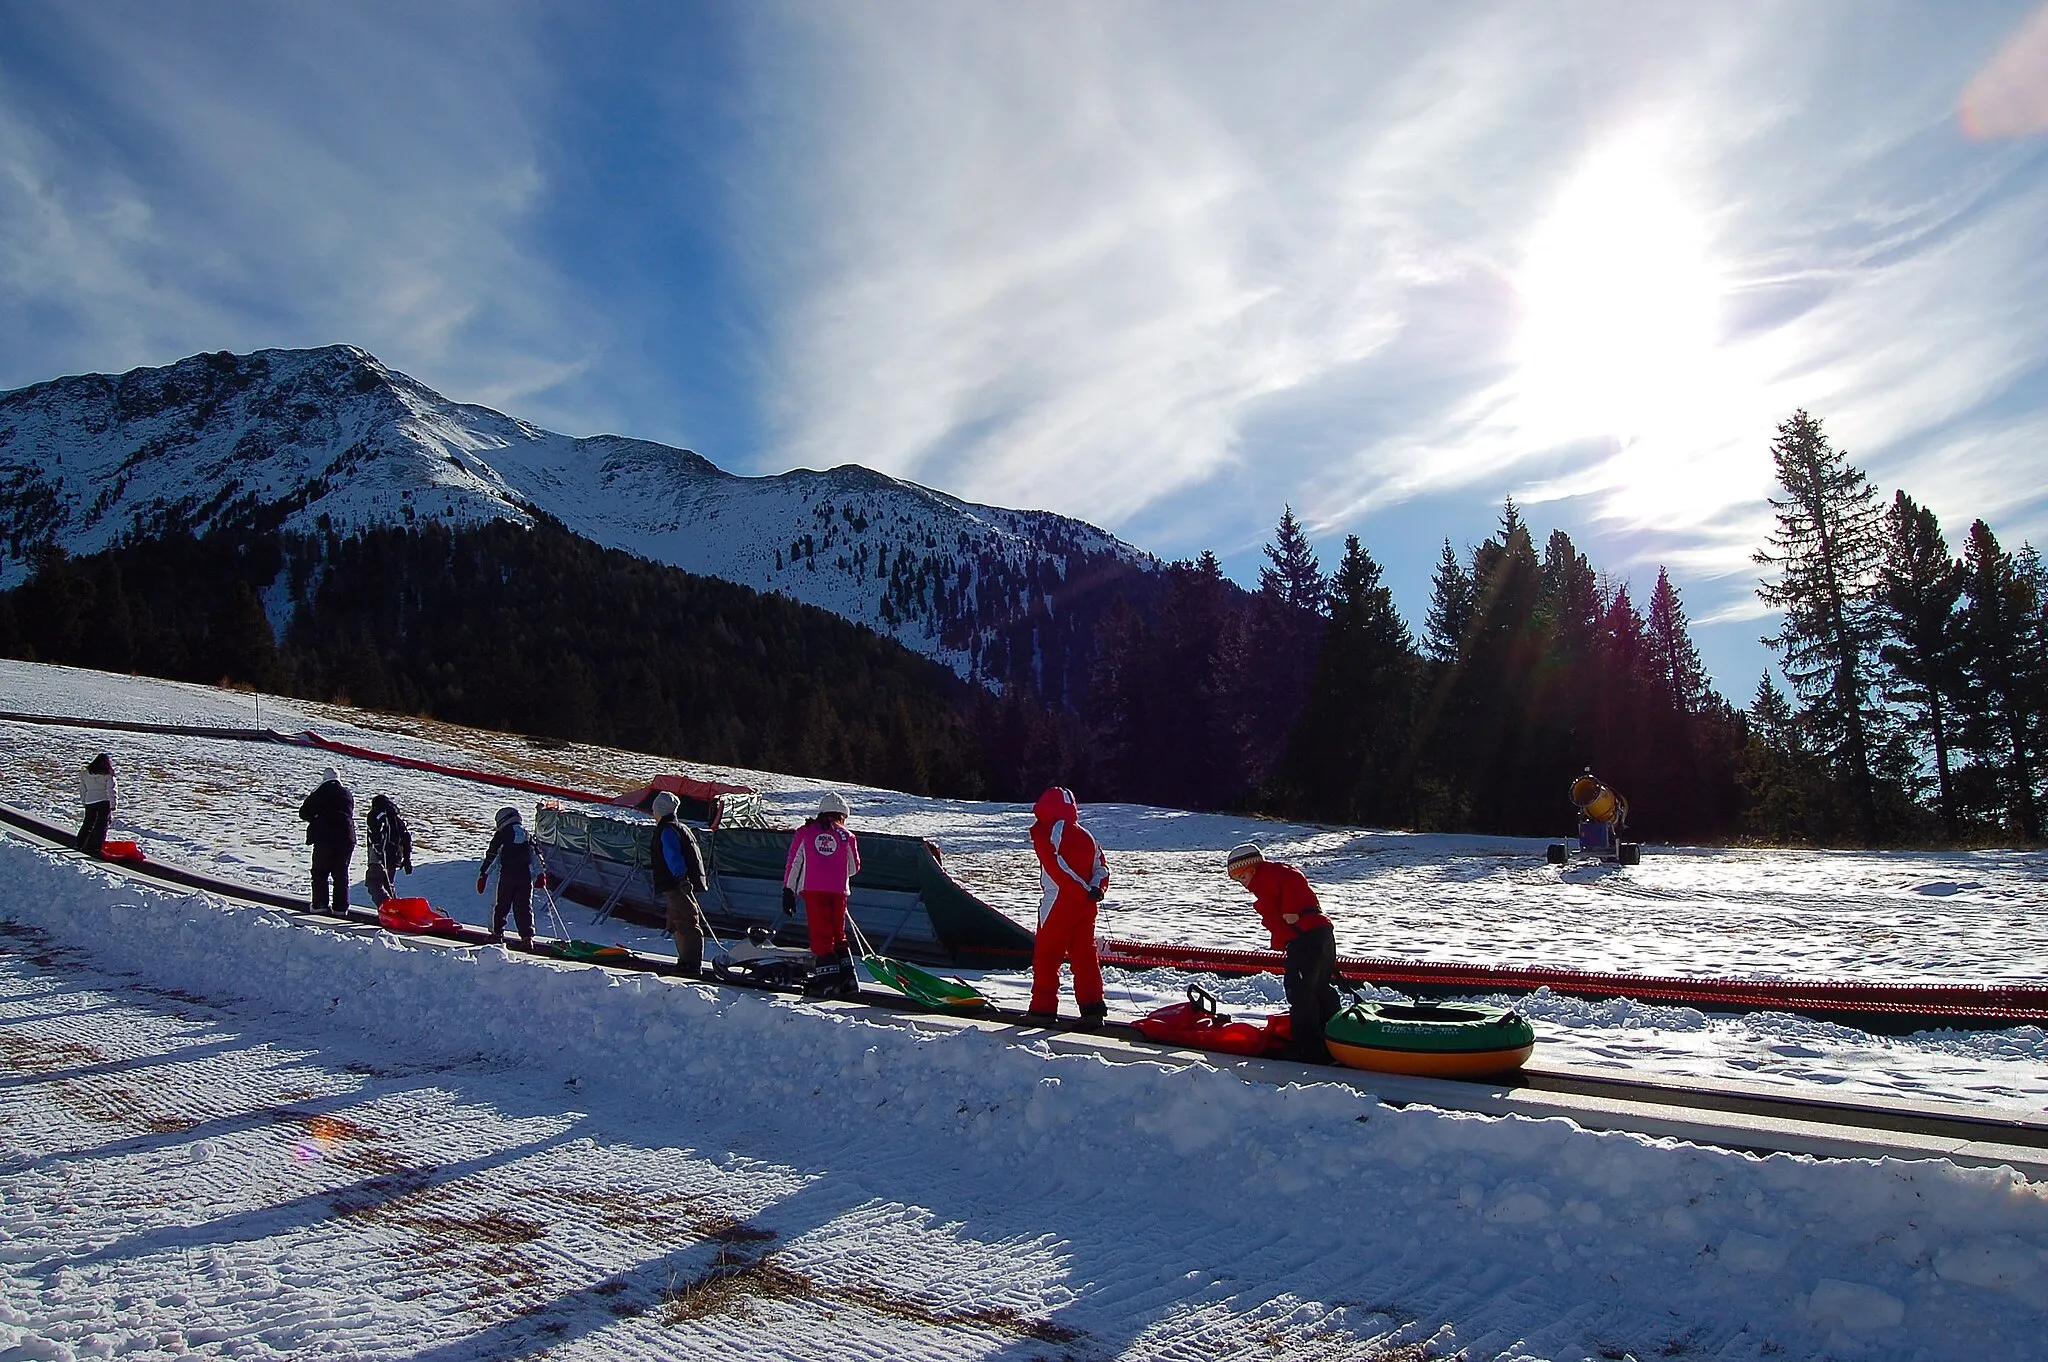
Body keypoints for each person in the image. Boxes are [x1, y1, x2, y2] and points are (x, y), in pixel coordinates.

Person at [1226, 843, 1339, 1064]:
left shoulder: (1269, 875)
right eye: (1238, 880)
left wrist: (1291, 910)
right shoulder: (1270, 878)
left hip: (1305, 937)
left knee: (1300, 992)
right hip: (1319, 935)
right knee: (1319, 988)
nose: (1243, 883)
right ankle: (1333, 1040)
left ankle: (1308, 1049)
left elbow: (1294, 879)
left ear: (1251, 868)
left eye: (1242, 877)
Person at [1027, 786, 1110, 1030]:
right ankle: (1093, 1008)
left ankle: (1042, 1009)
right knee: (1085, 957)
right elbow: (1101, 867)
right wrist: (1096, 889)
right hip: (1087, 907)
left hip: (1059, 903)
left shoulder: (1047, 832)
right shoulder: (1086, 835)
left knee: (1047, 956)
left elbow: (1055, 866)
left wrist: (1080, 891)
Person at [782, 792, 861, 998]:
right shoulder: (847, 836)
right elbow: (854, 867)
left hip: (813, 889)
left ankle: (827, 982)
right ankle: (848, 979)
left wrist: (788, 889)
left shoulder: (805, 832)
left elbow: (794, 863)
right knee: (838, 934)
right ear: (843, 814)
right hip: (839, 891)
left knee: (821, 935)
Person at [649, 791, 709, 976]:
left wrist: (681, 878)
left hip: (678, 884)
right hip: (677, 883)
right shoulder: (679, 827)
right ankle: (685, 959)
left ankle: (691, 963)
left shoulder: (667, 829)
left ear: (659, 810)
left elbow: (673, 856)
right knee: (676, 920)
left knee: (686, 920)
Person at [298, 766, 356, 917]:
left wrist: (317, 817)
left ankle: (320, 905)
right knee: (341, 872)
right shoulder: (347, 793)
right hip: (346, 837)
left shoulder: (321, 792)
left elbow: (304, 812)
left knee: (320, 871)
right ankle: (340, 908)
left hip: (325, 836)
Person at [477, 806, 537, 948]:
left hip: (507, 875)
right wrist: (541, 874)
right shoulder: (527, 836)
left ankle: (496, 934)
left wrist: (483, 874)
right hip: (525, 876)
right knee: (524, 906)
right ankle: (527, 938)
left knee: (500, 905)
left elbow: (492, 856)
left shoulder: (502, 836)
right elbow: (536, 857)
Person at [364, 794, 414, 906]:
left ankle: (388, 907)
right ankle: (396, 910)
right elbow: (406, 838)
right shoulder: (397, 818)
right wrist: (407, 858)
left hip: (380, 856)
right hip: (395, 856)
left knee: (373, 882)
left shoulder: (376, 814)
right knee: (388, 885)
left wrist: (378, 850)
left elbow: (374, 834)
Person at [76, 754, 116, 857]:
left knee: (88, 822)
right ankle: (94, 846)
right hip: (104, 801)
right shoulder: (107, 774)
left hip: (90, 800)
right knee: (101, 825)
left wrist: (84, 801)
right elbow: (111, 790)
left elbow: (82, 789)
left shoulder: (85, 773)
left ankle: (80, 843)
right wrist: (113, 804)